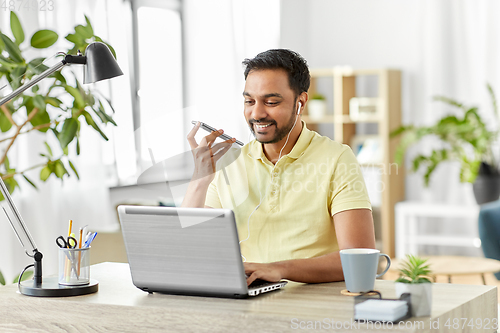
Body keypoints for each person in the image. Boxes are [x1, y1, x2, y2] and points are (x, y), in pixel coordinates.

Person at [182, 49, 375, 286]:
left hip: (312, 302)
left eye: (271, 102)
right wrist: (200, 179)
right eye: (249, 101)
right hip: (246, 299)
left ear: (300, 103)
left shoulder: (337, 159)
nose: (257, 113)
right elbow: (189, 248)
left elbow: (360, 257)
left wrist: (278, 270)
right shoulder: (229, 163)